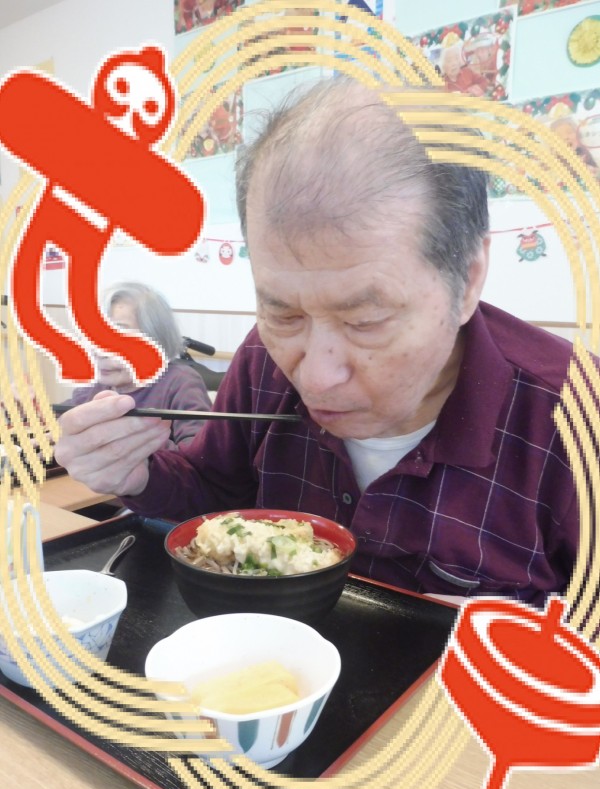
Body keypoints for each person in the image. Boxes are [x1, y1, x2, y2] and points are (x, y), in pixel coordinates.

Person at [55, 78, 577, 606]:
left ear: (467, 278)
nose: (315, 378)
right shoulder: (262, 358)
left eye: (365, 320)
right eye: (283, 312)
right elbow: (214, 491)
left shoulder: (575, 418)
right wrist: (135, 474)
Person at [64, 281, 212, 450]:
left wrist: (130, 438)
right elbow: (63, 416)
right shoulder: (97, 386)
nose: (99, 351)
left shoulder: (180, 382)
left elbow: (199, 454)